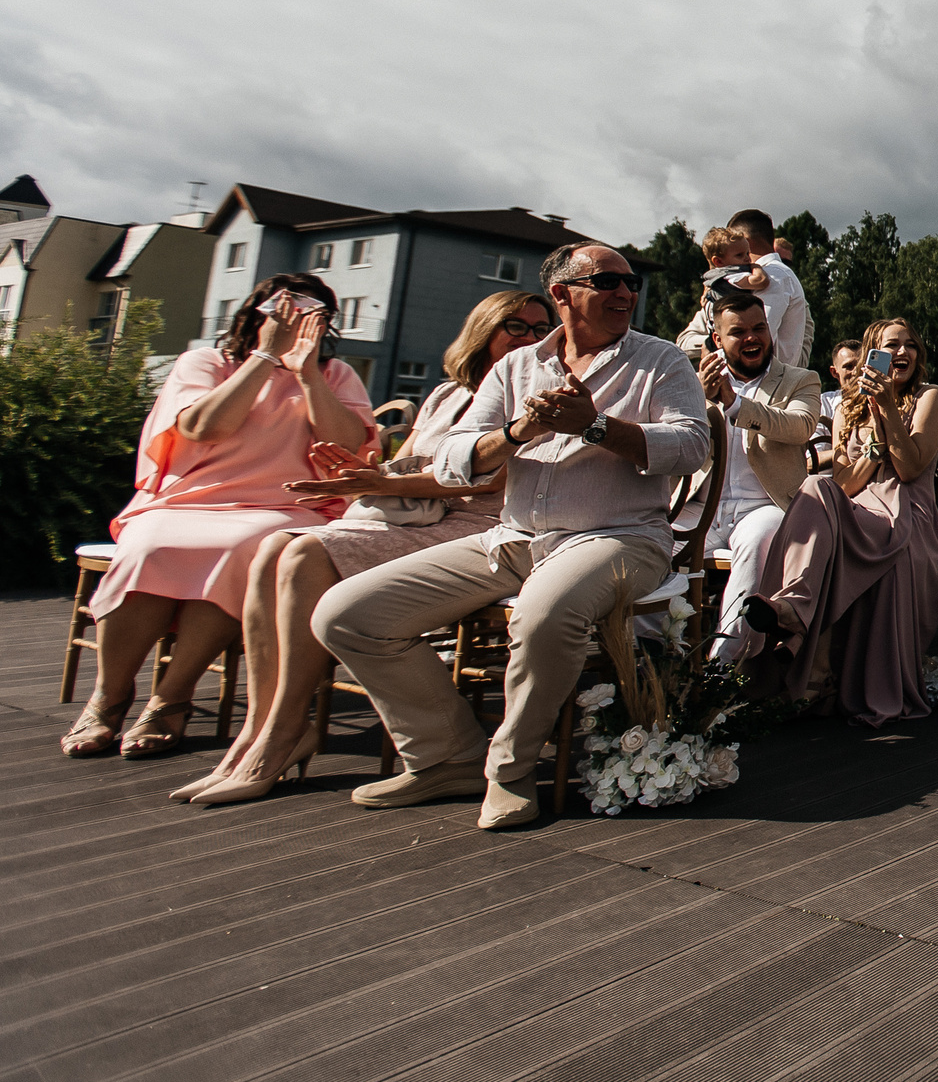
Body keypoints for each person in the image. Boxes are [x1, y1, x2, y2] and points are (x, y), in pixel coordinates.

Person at [311, 243, 709, 830]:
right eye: (607, 281)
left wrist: (594, 426)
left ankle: (510, 768)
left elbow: (692, 446)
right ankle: (447, 753)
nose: (626, 293)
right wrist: (519, 430)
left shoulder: (662, 361)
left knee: (544, 613)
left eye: (631, 284)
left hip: (620, 539)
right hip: (513, 540)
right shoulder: (515, 368)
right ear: (561, 294)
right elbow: (452, 458)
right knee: (345, 615)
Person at [168, 288, 555, 805]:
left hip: (478, 525)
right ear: (484, 330)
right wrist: (368, 474)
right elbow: (414, 462)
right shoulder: (445, 396)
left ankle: (283, 732)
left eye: (538, 328)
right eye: (516, 326)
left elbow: (484, 481)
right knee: (274, 546)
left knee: (305, 552)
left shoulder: (538, 396)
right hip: (416, 521)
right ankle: (260, 730)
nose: (529, 337)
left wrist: (376, 485)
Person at [61, 273, 376, 760]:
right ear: (260, 311)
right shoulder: (207, 362)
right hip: (190, 500)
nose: (296, 319)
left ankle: (171, 697)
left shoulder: (336, 375)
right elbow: (206, 426)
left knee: (243, 549)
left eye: (312, 312)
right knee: (149, 547)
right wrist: (265, 358)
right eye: (285, 308)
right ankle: (109, 696)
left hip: (287, 504)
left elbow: (347, 444)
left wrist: (307, 373)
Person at [732, 318, 938, 724]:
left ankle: (797, 629)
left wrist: (886, 410)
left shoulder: (929, 397)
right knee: (815, 485)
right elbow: (844, 485)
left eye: (909, 345)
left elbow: (909, 468)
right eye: (890, 346)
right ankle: (792, 611)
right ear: (872, 355)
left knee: (829, 523)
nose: (901, 353)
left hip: (907, 513)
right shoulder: (848, 406)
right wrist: (872, 450)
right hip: (858, 510)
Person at [693, 289, 822, 661]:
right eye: (739, 332)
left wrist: (733, 403)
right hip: (700, 507)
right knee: (652, 545)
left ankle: (725, 666)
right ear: (717, 339)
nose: (752, 338)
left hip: (763, 504)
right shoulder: (693, 381)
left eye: (759, 328)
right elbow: (680, 443)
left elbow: (799, 426)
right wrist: (702, 401)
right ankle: (652, 661)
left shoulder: (799, 379)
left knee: (758, 544)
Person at [680, 210, 808, 369]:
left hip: (765, 386)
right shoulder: (729, 284)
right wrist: (716, 338)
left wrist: (718, 340)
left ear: (744, 241)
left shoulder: (774, 276)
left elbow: (755, 340)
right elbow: (684, 341)